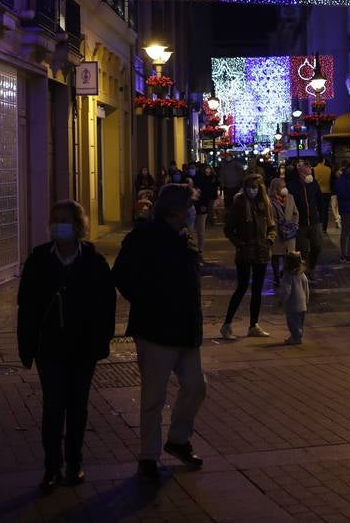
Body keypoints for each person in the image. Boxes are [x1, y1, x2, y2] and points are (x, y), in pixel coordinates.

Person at [18, 200, 116, 491]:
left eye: (66, 219)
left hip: (82, 347)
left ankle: (75, 462)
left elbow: (106, 305)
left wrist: (101, 341)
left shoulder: (93, 262)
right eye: (55, 219)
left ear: (77, 225)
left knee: (77, 407)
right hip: (50, 348)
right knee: (52, 407)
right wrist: (27, 346)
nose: (60, 225)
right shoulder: (38, 260)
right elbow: (27, 307)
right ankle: (52, 466)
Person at [113, 183, 207, 482]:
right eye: (189, 206)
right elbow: (122, 276)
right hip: (155, 329)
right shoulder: (144, 237)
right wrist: (149, 300)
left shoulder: (186, 238)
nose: (192, 211)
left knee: (195, 385)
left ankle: (178, 438)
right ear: (175, 209)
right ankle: (148, 456)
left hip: (186, 329)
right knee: (153, 397)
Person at [220, 173, 277, 339]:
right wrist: (240, 244)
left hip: (262, 251)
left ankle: (253, 325)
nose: (252, 190)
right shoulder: (239, 203)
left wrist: (269, 241)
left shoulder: (265, 203)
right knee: (242, 287)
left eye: (255, 187)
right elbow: (228, 228)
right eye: (250, 187)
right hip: (245, 252)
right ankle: (227, 324)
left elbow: (271, 226)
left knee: (258, 290)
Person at [286, 160, 324, 278]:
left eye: (310, 173)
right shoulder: (292, 186)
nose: (309, 176)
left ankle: (311, 266)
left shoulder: (314, 184)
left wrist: (321, 216)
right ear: (300, 174)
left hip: (314, 221)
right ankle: (307, 272)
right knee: (302, 250)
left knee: (317, 246)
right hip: (300, 223)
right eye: (306, 174)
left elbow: (320, 199)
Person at [269, 176, 300, 286]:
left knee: (288, 256)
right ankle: (276, 276)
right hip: (276, 232)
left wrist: (294, 225)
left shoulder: (290, 197)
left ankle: (286, 275)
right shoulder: (269, 200)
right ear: (275, 188)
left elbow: (295, 213)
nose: (284, 188)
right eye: (282, 187)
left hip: (289, 232)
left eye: (285, 186)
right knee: (276, 255)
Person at [278, 251, 310, 345]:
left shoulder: (288, 275)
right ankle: (297, 336)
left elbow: (286, 290)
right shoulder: (302, 274)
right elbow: (306, 288)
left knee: (292, 323)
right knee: (299, 322)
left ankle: (296, 338)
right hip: (302, 304)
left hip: (292, 304)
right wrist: (306, 299)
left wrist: (282, 300)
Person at [192, 163, 216, 254]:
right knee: (197, 229)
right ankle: (197, 248)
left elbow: (209, 193)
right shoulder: (198, 179)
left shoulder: (210, 179)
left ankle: (199, 248)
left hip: (202, 206)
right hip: (198, 205)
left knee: (200, 229)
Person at [313, 157, 335, 232]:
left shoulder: (314, 169)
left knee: (318, 210)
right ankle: (324, 228)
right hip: (327, 192)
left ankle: (318, 225)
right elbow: (331, 181)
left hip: (317, 192)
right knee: (325, 211)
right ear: (324, 161)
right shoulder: (328, 169)